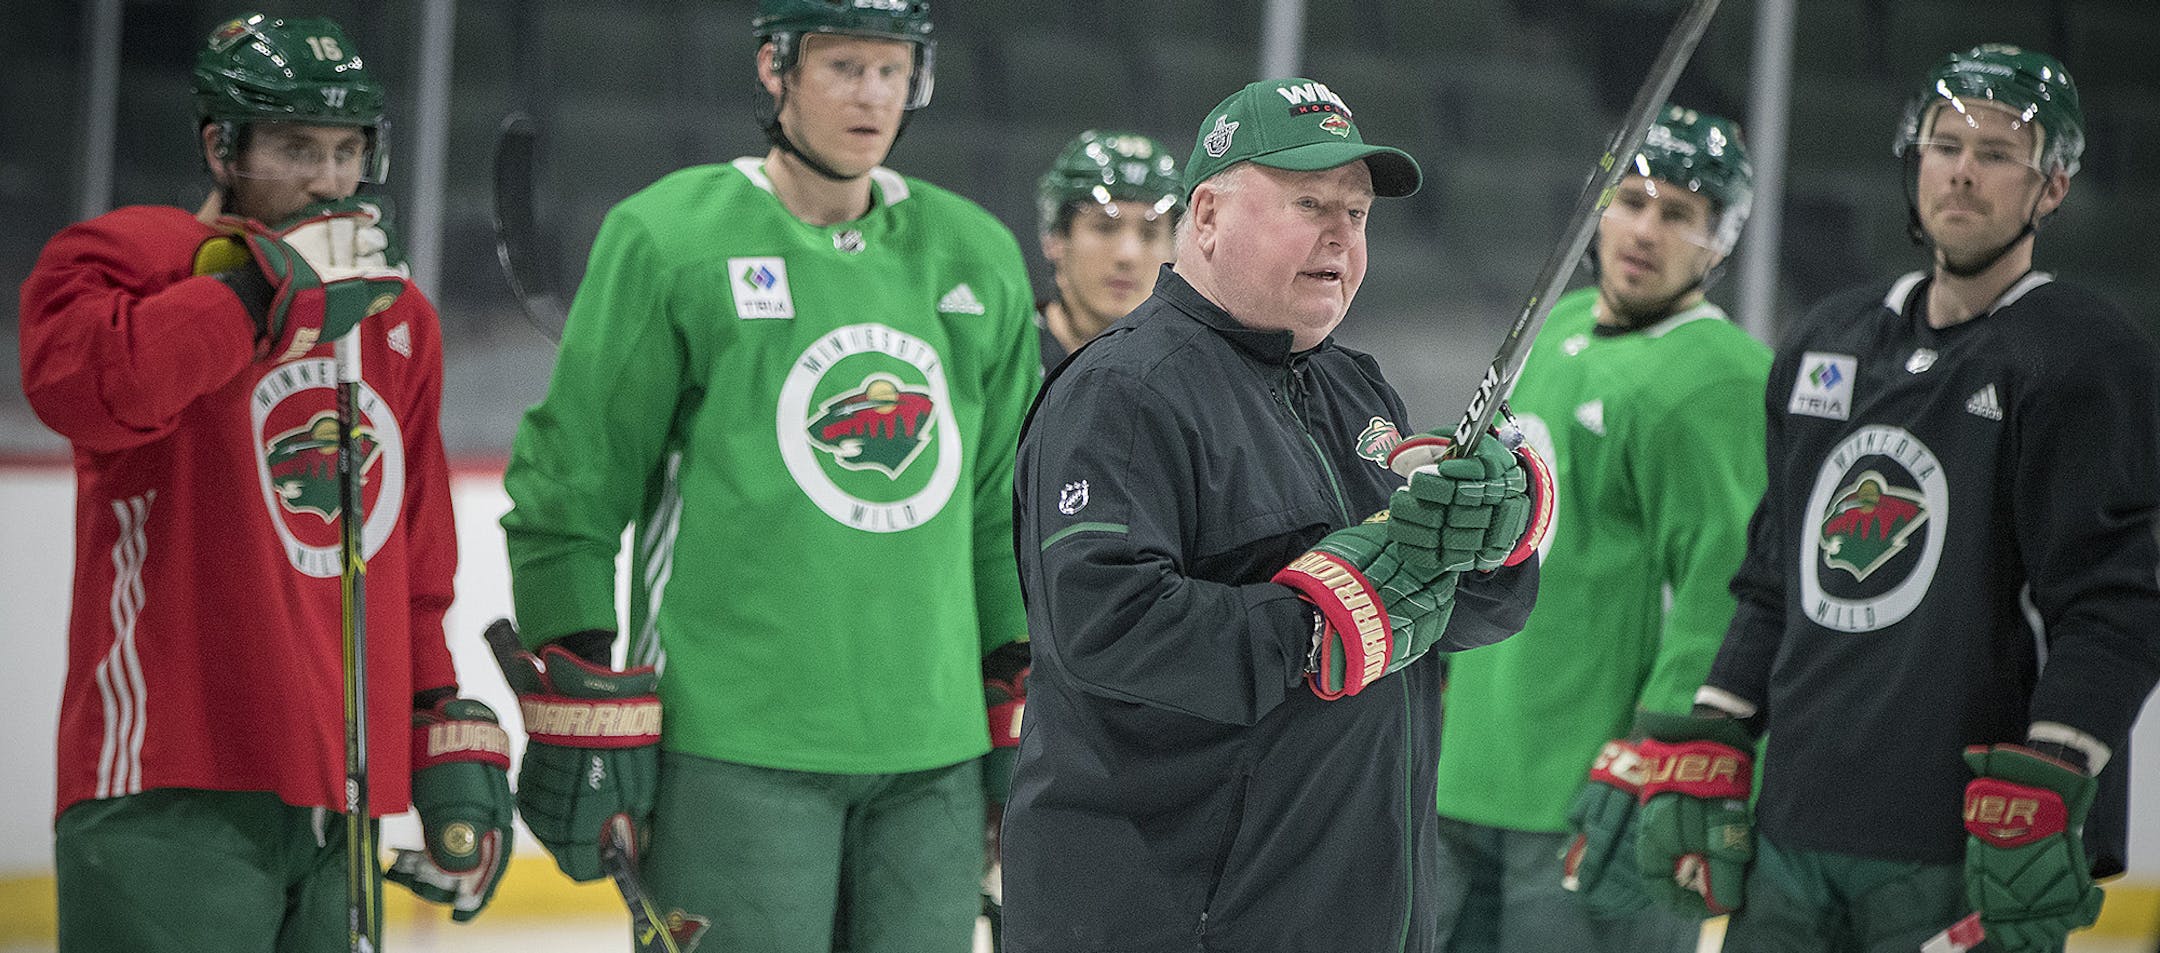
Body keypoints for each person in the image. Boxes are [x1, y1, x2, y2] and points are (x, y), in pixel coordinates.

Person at [496, 0, 1038, 950]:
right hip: (732, 746)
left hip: (934, 752)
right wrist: (579, 678)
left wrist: (1014, 685)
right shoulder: (670, 238)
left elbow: (998, 507)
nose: (873, 95)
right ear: (775, 68)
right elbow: (573, 484)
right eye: (844, 68)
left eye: (892, 69)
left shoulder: (977, 254)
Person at [999, 76, 1546, 953]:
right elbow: (1103, 624)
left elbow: (1431, 617)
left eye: (1358, 213)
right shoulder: (1123, 391)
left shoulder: (1357, 385)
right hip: (1173, 920)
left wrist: (1489, 546)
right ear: (1207, 214)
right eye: (1308, 202)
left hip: (1356, 911)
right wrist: (1313, 623)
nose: (1341, 234)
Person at [1633, 45, 2160, 953]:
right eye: (1944, 143)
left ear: (2054, 187)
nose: (1962, 170)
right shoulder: (1829, 338)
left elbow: (2114, 600)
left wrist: (2061, 760)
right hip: (1795, 824)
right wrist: (1719, 725)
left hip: (1956, 841)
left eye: (1999, 152)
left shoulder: (2082, 355)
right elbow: (1774, 575)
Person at [19, 12, 511, 950]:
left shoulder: (398, 316)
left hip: (341, 799)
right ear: (221, 145)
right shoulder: (126, 260)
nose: (329, 180)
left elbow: (406, 562)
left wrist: (437, 728)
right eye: (295, 147)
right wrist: (261, 287)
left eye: (346, 149)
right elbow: (89, 391)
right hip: (168, 784)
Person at [1426, 104, 1768, 953]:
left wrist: (1663, 749)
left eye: (1679, 213)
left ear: (1719, 243)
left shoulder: (1721, 379)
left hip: (1599, 791)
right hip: (1468, 767)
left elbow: (1722, 591)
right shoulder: (1558, 327)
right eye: (1632, 198)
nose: (1645, 228)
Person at [1033, 128, 1183, 371]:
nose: (1128, 256)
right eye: (1105, 228)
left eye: (1150, 233)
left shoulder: (1188, 369)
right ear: (1055, 239)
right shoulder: (1009, 351)